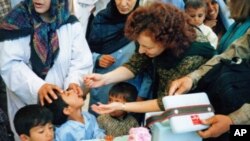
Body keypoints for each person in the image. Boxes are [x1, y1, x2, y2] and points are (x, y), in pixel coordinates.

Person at [86, 2, 216, 116]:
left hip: (190, 109)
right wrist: (104, 79)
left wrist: (121, 106)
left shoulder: (191, 57)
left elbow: (166, 102)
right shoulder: (147, 33)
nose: (141, 51)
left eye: (147, 47)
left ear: (166, 42)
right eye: (139, 45)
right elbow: (135, 65)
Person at [0, 0, 93, 140]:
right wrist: (39, 87)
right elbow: (10, 65)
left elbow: (80, 59)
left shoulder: (68, 21)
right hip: (28, 103)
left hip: (61, 106)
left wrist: (73, 83)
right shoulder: (14, 22)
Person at [86, 0, 152, 116]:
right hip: (104, 90)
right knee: (99, 126)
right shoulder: (101, 19)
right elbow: (84, 53)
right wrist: (98, 58)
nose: (123, 3)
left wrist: (142, 94)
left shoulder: (145, 23)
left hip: (132, 92)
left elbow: (150, 66)